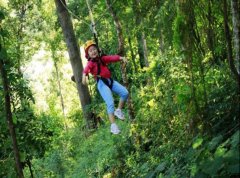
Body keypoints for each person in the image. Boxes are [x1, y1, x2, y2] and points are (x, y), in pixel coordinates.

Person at [82, 40, 129, 134]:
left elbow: (111, 58)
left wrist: (121, 58)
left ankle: (118, 110)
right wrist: (84, 76)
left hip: (109, 81)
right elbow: (86, 70)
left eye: (94, 49)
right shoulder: (91, 63)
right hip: (101, 83)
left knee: (125, 93)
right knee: (110, 102)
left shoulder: (102, 58)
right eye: (90, 50)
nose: (93, 51)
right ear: (88, 54)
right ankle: (113, 126)